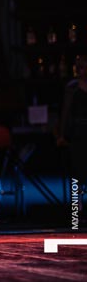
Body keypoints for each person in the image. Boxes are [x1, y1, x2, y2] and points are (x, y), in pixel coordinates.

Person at [56, 55, 87, 215]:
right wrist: (61, 134)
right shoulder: (73, 87)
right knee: (77, 170)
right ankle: (76, 209)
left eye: (83, 67)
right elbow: (65, 112)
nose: (81, 70)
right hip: (78, 133)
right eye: (79, 67)